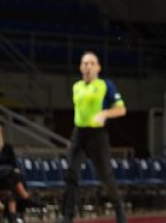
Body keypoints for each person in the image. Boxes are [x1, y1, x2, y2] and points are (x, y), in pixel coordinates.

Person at [59, 51, 127, 223]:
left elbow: (121, 109)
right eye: (85, 63)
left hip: (97, 135)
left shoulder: (106, 85)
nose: (88, 66)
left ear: (98, 67)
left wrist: (105, 113)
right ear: (81, 67)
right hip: (79, 133)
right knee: (71, 173)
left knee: (105, 175)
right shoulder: (76, 86)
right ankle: (67, 216)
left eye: (91, 63)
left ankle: (120, 212)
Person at [0, 123, 32, 223]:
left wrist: (14, 170)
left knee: (12, 179)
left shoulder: (7, 147)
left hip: (6, 179)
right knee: (12, 173)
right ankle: (26, 199)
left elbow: (14, 163)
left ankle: (12, 217)